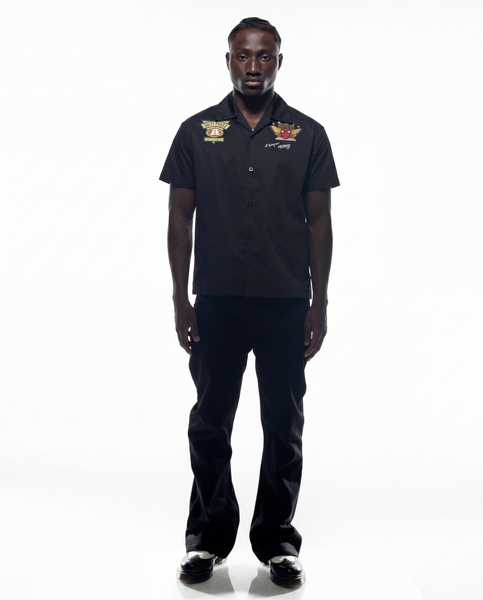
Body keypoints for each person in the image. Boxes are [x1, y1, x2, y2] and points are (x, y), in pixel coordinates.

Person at [159, 17, 339, 587]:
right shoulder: (196, 131)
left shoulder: (307, 134)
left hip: (286, 302)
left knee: (283, 423)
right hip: (215, 301)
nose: (253, 66)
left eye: (264, 56)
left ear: (279, 62)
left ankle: (278, 541)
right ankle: (207, 538)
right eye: (243, 56)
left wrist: (320, 303)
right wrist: (180, 298)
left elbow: (319, 222)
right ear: (228, 61)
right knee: (210, 421)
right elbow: (180, 217)